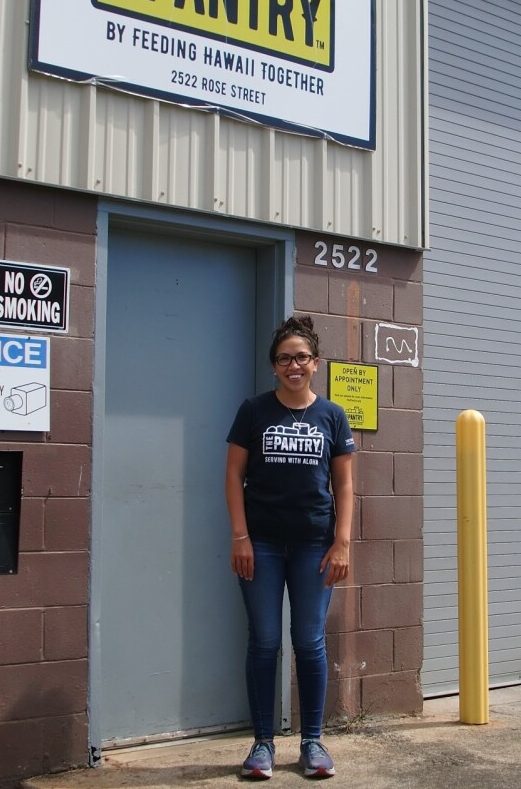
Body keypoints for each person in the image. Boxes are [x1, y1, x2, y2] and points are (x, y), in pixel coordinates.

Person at [226, 315, 356, 780]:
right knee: (263, 642)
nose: (293, 365)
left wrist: (341, 543)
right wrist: (240, 536)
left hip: (314, 546)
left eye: (301, 357)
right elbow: (233, 477)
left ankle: (313, 744)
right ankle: (262, 745)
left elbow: (343, 485)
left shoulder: (332, 416)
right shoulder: (254, 410)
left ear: (315, 363)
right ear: (274, 366)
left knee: (309, 642)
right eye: (284, 358)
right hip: (260, 543)